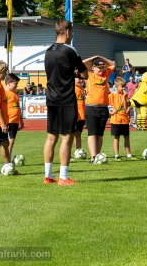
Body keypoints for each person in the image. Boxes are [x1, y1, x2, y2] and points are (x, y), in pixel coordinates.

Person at [44, 20, 88, 185]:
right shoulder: (70, 50)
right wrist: (76, 73)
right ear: (67, 32)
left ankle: (48, 176)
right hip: (66, 98)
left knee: (50, 137)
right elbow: (85, 74)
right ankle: (63, 176)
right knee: (66, 137)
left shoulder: (48, 51)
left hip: (51, 98)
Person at [83, 56, 115, 163]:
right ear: (93, 68)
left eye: (102, 67)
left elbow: (113, 64)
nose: (101, 69)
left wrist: (101, 58)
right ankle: (93, 157)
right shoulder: (89, 75)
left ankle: (98, 156)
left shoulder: (106, 74)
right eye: (99, 67)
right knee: (92, 133)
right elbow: (81, 63)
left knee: (100, 134)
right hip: (91, 107)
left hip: (103, 108)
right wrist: (93, 57)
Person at [109, 77, 134, 161]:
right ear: (116, 86)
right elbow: (108, 106)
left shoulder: (125, 96)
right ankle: (117, 155)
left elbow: (125, 107)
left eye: (124, 86)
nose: (123, 88)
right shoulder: (111, 95)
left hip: (124, 119)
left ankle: (129, 154)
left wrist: (124, 97)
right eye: (122, 87)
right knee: (116, 137)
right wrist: (111, 111)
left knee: (126, 137)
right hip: (116, 119)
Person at [5, 73, 24, 157]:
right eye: (15, 84)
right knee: (10, 140)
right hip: (8, 120)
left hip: (15, 121)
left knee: (11, 140)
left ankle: (8, 157)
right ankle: (7, 159)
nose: (16, 86)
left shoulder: (15, 93)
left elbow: (17, 107)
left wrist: (21, 120)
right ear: (9, 83)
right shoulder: (5, 93)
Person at [73, 76, 86, 154]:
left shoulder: (81, 89)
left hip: (81, 115)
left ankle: (78, 151)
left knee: (78, 133)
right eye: (79, 79)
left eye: (82, 79)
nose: (81, 80)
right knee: (70, 135)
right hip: (75, 115)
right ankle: (68, 153)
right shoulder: (73, 89)